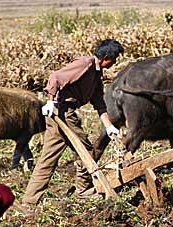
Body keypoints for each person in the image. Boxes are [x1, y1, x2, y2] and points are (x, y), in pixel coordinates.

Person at [21, 38, 124, 205]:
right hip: (62, 112)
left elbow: (99, 103)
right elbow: (56, 77)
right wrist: (50, 101)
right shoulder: (86, 64)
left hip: (62, 113)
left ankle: (29, 200)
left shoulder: (96, 75)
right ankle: (83, 191)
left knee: (49, 157)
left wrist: (109, 126)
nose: (114, 62)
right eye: (114, 59)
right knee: (86, 151)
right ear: (106, 56)